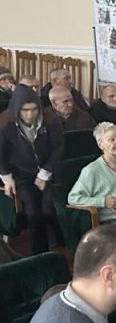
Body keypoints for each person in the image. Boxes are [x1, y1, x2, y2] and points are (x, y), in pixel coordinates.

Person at [0, 84, 63, 254]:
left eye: (34, 109)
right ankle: (40, 253)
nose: (30, 115)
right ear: (16, 109)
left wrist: (44, 174)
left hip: (49, 172)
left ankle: (61, 246)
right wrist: (7, 178)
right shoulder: (4, 123)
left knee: (50, 209)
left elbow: (58, 148)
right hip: (22, 175)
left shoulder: (50, 119)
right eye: (25, 110)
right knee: (33, 213)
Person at [69, 122, 116, 228]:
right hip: (109, 221)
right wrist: (103, 202)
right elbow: (73, 198)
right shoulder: (91, 170)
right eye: (111, 140)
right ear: (100, 144)